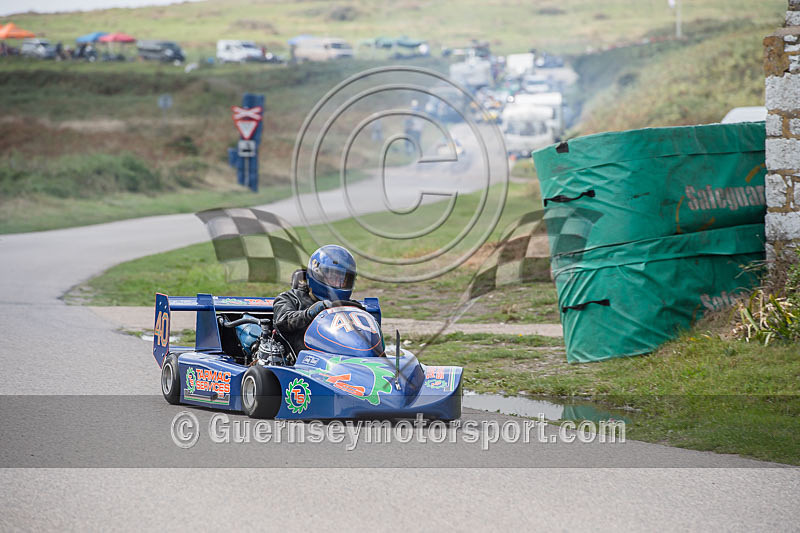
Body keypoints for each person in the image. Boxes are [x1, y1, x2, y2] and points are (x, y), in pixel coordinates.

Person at [272, 245, 357, 358]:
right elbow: (282, 321)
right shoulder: (290, 298)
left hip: (339, 357)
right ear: (316, 274)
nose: (338, 283)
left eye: (343, 280)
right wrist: (310, 313)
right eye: (332, 277)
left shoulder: (350, 307)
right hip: (301, 359)